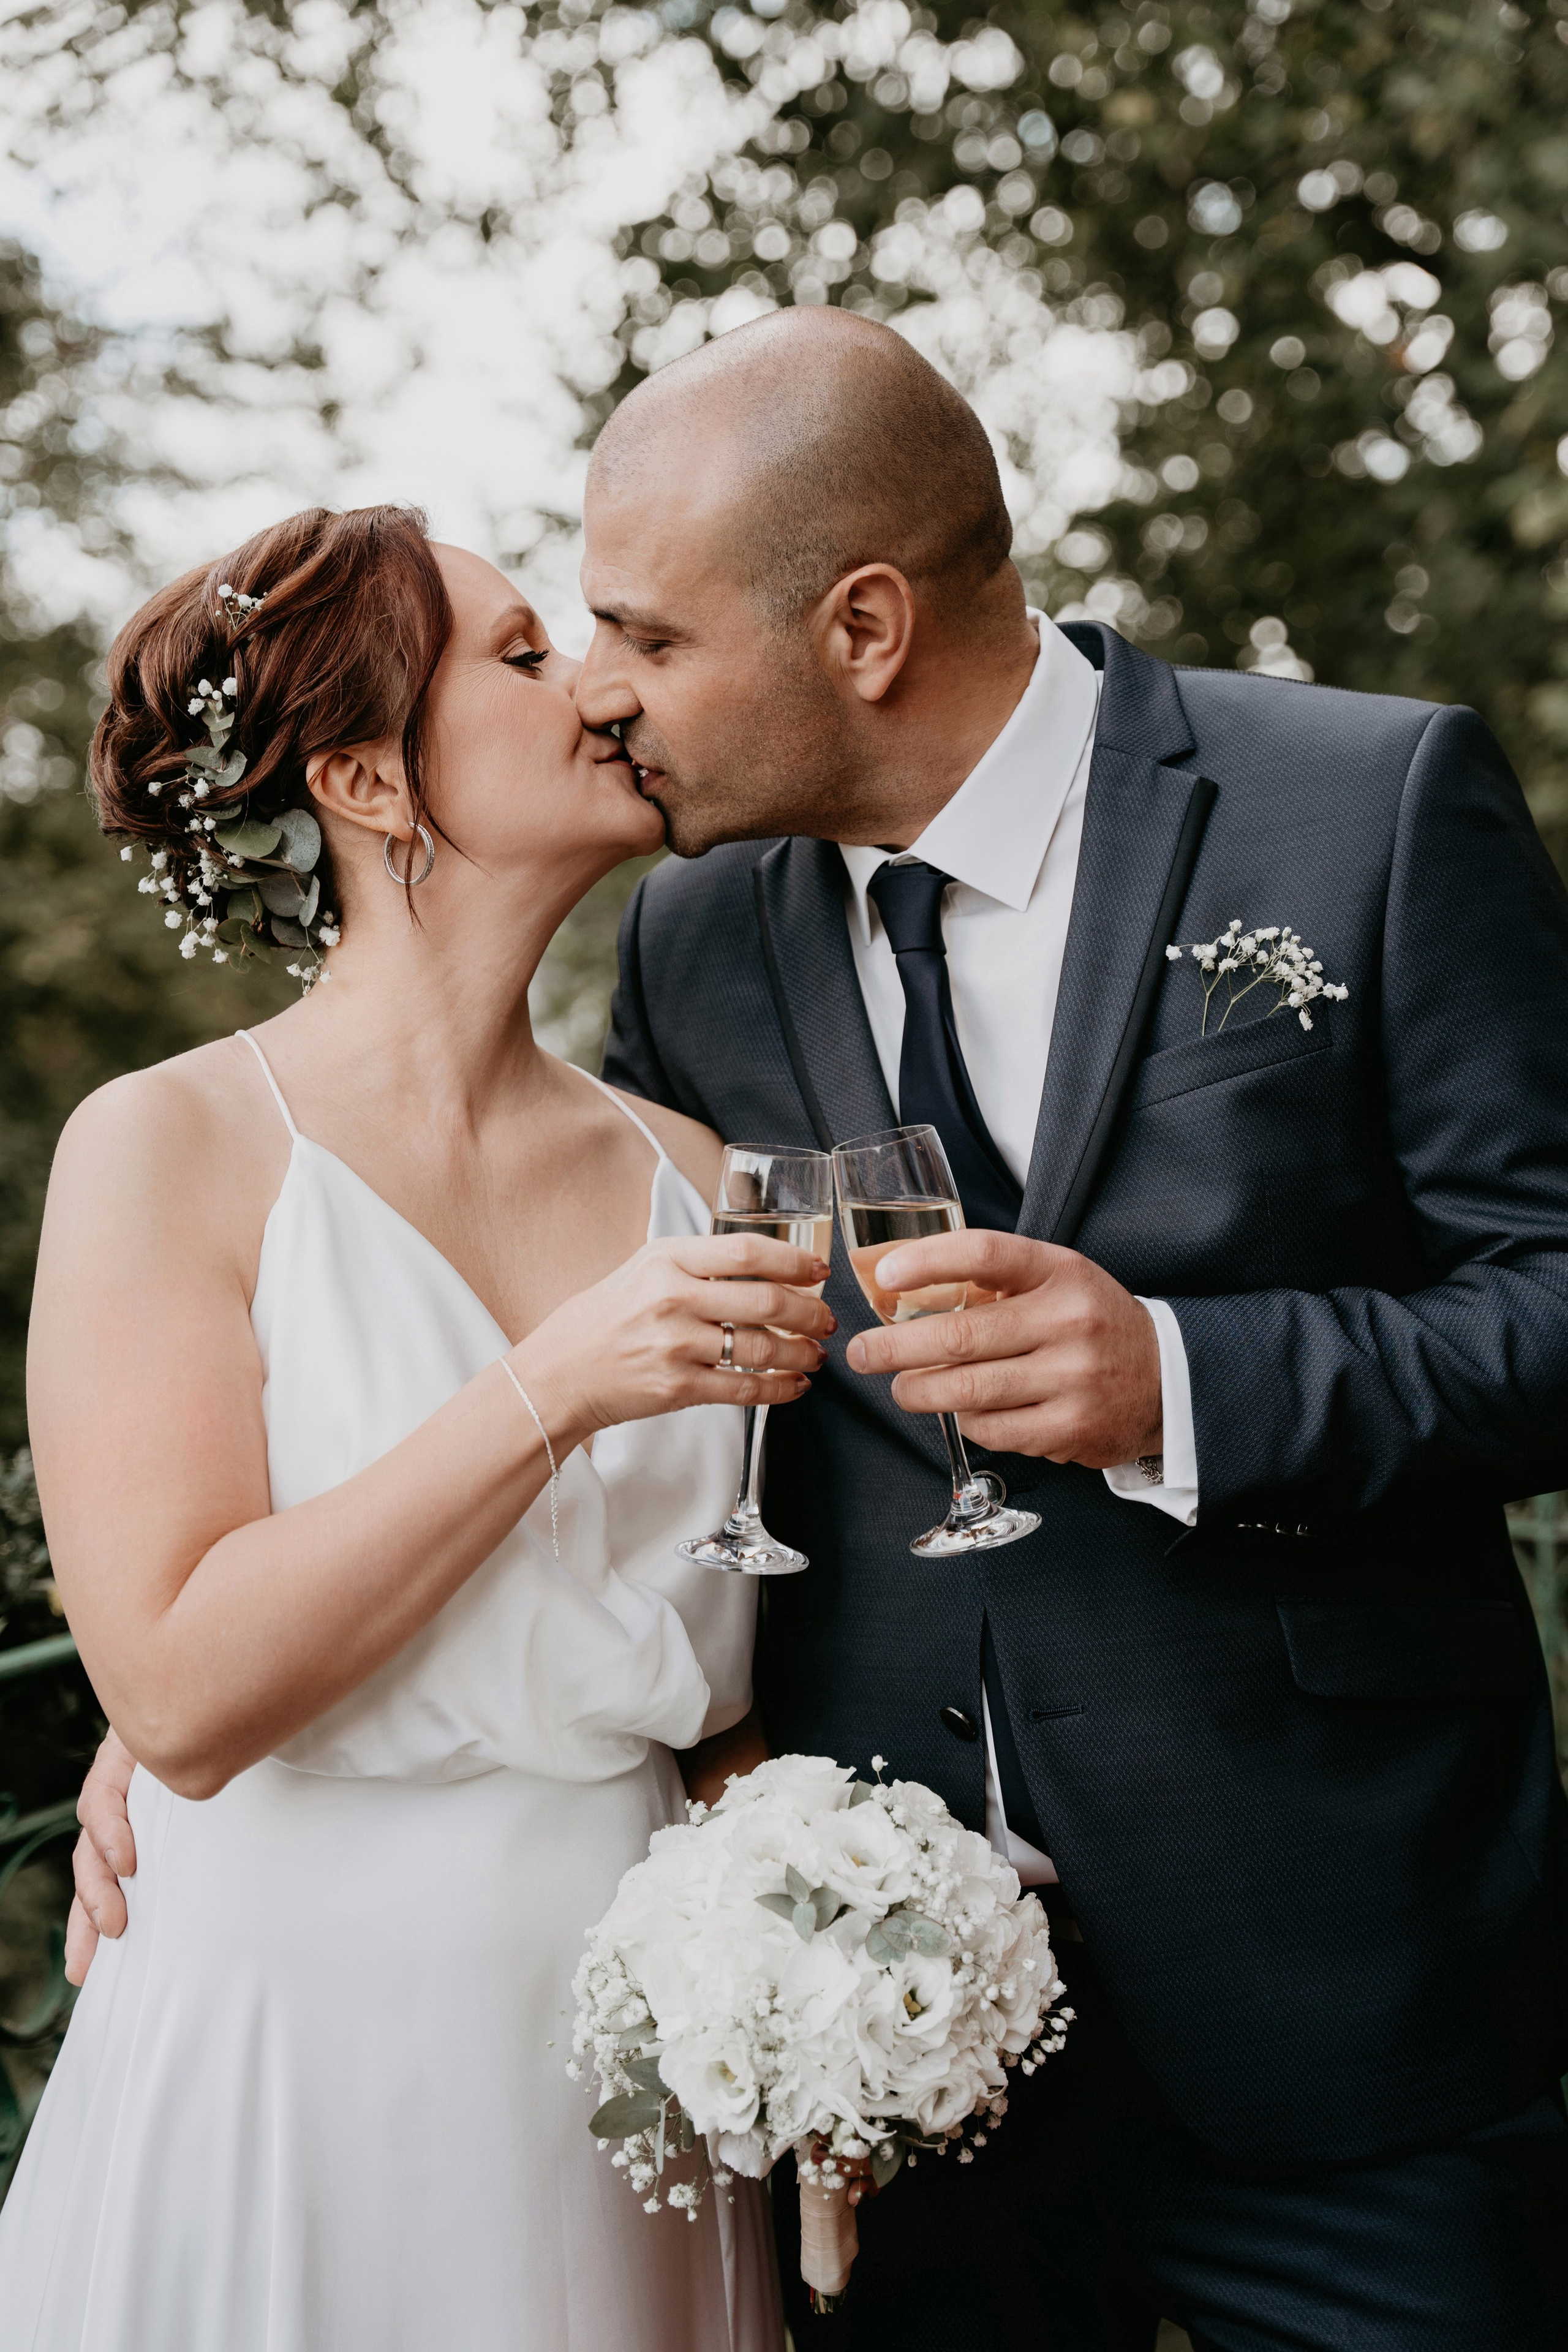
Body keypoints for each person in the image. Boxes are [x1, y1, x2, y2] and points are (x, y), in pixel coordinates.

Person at [71, 312, 1568, 2348]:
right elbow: (600, 1433)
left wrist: (1185, 1380)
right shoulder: (708, 936)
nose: (604, 692)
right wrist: (188, 1696)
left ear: (862, 627)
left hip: (1333, 1997)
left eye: (639, 636)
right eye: (552, 644)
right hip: (870, 2059)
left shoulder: (1363, 807)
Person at [0, 504, 818, 2351]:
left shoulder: (696, 1175)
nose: (600, 692)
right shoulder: (170, 1147)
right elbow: (185, 1697)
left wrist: (832, 1909)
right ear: (370, 777)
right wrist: (555, 1388)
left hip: (628, 2066)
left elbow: (743, 1644)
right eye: (525, 657)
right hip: (296, 2032)